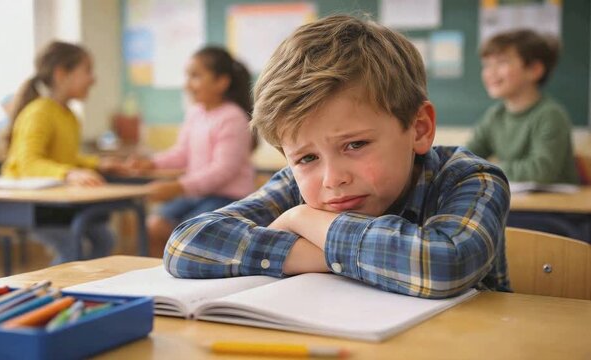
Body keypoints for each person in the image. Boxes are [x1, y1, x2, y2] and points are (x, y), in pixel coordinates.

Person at [162, 15, 511, 299]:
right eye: (306, 158)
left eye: (355, 145)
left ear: (419, 128)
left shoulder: (470, 178)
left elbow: (444, 266)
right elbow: (186, 244)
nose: (332, 179)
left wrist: (305, 220)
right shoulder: (297, 181)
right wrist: (332, 257)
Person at [2, 41, 126, 264]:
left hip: (56, 203)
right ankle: (54, 294)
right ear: (61, 74)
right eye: (87, 70)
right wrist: (69, 174)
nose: (93, 79)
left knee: (104, 238)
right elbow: (28, 163)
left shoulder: (69, 116)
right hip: (29, 204)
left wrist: (97, 164)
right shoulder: (39, 112)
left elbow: (64, 159)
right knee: (72, 247)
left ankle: (83, 287)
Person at [131, 47, 256, 257]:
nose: (187, 84)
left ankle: (188, 270)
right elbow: (181, 152)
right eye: (188, 76)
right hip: (196, 194)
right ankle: (160, 278)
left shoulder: (233, 117)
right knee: (153, 226)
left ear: (221, 82)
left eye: (196, 76)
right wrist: (151, 163)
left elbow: (223, 170)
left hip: (226, 197)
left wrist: (179, 187)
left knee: (188, 236)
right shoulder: (195, 113)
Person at [466, 29, 578, 184]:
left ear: (534, 70)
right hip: (517, 201)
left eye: (502, 62)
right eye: (486, 65)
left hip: (558, 204)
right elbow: (466, 158)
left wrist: (484, 169)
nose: (490, 72)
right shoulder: (495, 115)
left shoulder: (550, 114)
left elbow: (540, 171)